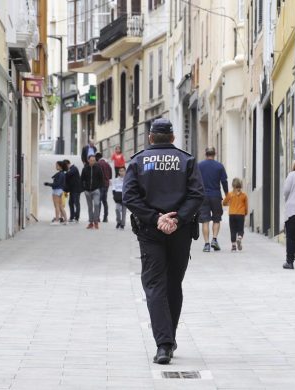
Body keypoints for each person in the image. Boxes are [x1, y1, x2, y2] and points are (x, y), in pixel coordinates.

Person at [123, 118, 204, 365]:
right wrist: (177, 219)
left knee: (155, 284)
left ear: (150, 138)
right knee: (173, 284)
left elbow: (129, 196)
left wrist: (155, 218)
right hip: (180, 231)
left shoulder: (138, 161)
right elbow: (197, 194)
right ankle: (169, 338)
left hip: (150, 231)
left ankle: (164, 344)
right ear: (172, 138)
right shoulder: (186, 160)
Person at [198, 147, 228, 252]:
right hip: (215, 195)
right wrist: (227, 194)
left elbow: (194, 181)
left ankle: (206, 244)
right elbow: (224, 181)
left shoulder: (199, 166)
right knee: (216, 219)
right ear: (215, 154)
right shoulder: (219, 166)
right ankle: (214, 239)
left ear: (205, 154)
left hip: (203, 196)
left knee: (205, 221)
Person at [222, 178, 248, 251]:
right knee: (240, 229)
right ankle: (239, 238)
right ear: (241, 186)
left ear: (233, 186)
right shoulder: (244, 195)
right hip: (240, 214)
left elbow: (224, 203)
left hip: (232, 214)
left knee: (233, 230)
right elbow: (246, 206)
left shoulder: (230, 194)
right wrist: (245, 213)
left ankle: (233, 245)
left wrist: (228, 203)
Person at [80, 155, 104, 229]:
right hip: (87, 191)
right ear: (88, 160)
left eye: (94, 160)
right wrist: (84, 189)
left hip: (96, 190)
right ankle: (91, 222)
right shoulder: (85, 169)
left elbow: (101, 179)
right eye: (91, 160)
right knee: (90, 207)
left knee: (97, 204)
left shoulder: (98, 168)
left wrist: (99, 187)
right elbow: (81, 179)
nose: (93, 162)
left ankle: (96, 221)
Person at [44, 161, 68, 225]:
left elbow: (57, 184)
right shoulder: (63, 173)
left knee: (57, 206)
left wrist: (48, 184)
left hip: (57, 191)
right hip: (60, 190)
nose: (56, 166)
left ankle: (57, 220)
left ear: (60, 166)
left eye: (57, 165)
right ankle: (65, 220)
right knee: (60, 206)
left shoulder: (60, 174)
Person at [95, 152, 112, 222]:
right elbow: (110, 174)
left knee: (98, 201)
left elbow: (96, 175)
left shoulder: (98, 164)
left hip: (100, 185)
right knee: (104, 201)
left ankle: (97, 217)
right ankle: (105, 217)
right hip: (106, 184)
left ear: (97, 158)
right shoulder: (107, 164)